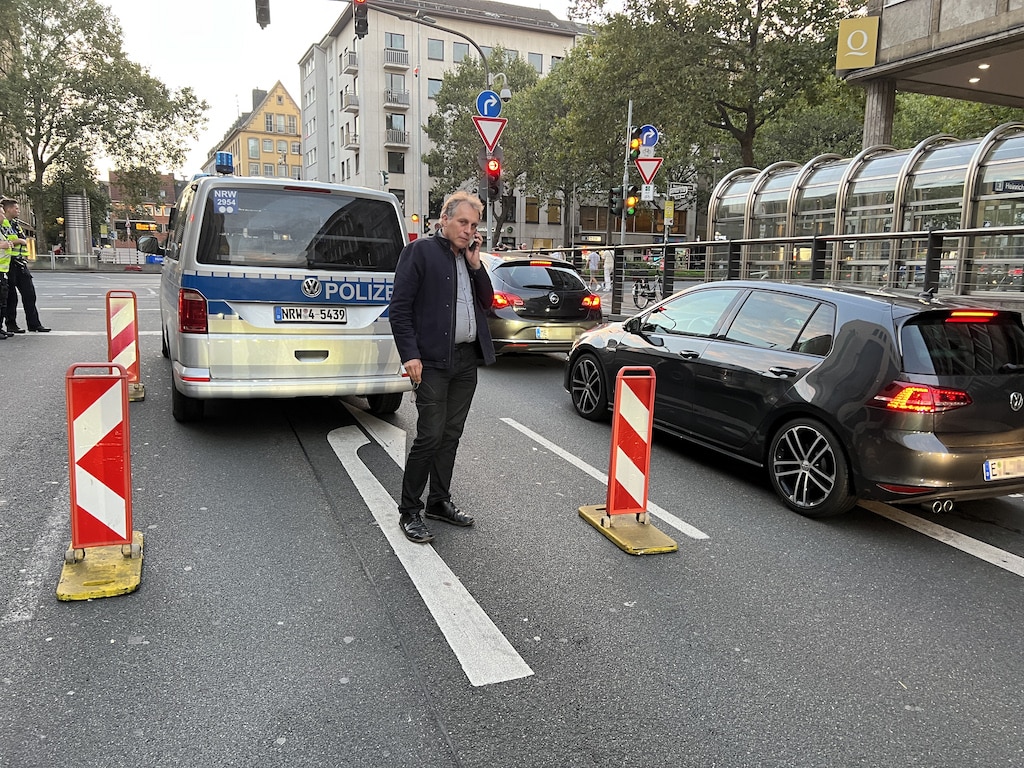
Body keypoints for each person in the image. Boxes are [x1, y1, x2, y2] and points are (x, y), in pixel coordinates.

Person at [389, 190, 496, 544]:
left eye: (474, 225)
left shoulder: (469, 259)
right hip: (432, 361)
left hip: (466, 360)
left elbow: (487, 302)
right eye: (463, 222)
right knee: (430, 435)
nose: (468, 230)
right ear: (444, 220)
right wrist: (410, 355)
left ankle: (438, 501)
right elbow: (400, 309)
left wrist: (477, 264)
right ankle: (409, 511)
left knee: (451, 435)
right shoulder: (419, 252)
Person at [1, 198, 49, 333]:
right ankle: (11, 324)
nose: (19, 210)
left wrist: (20, 243)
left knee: (30, 294)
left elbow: (22, 240)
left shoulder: (16, 224)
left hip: (20, 263)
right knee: (11, 297)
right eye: (16, 208)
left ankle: (34, 324)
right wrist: (19, 241)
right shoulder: (3, 225)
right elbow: (9, 241)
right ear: (8, 209)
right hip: (9, 263)